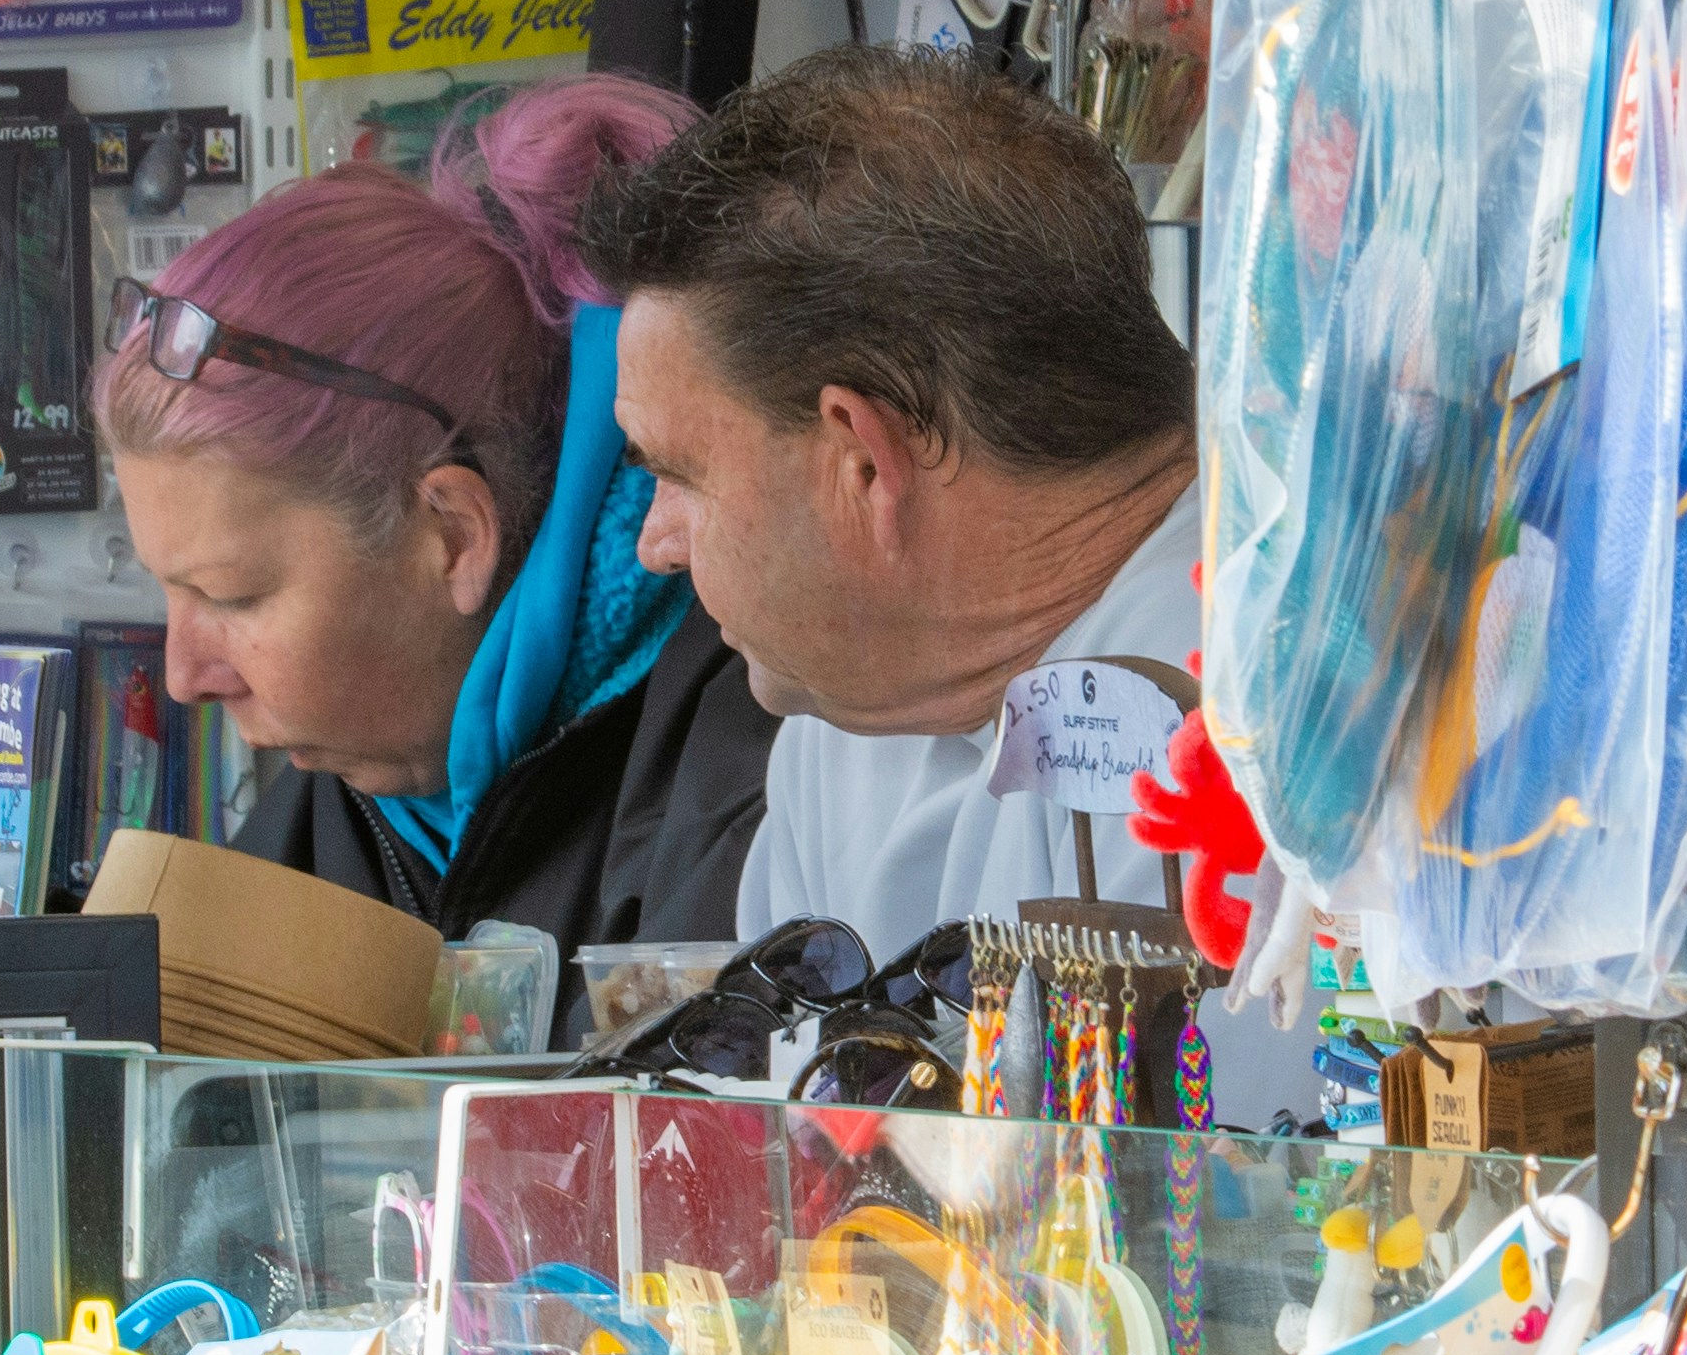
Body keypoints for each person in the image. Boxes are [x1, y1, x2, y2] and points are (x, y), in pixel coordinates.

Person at [100, 76, 776, 958]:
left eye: (229, 595)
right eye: (166, 590)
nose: (184, 675)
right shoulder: (333, 802)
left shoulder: (754, 758)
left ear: (454, 535)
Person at [578, 48, 1204, 965]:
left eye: (678, 473)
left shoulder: (1243, 710)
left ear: (864, 464)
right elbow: (810, 1107)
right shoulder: (847, 717)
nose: (654, 546)